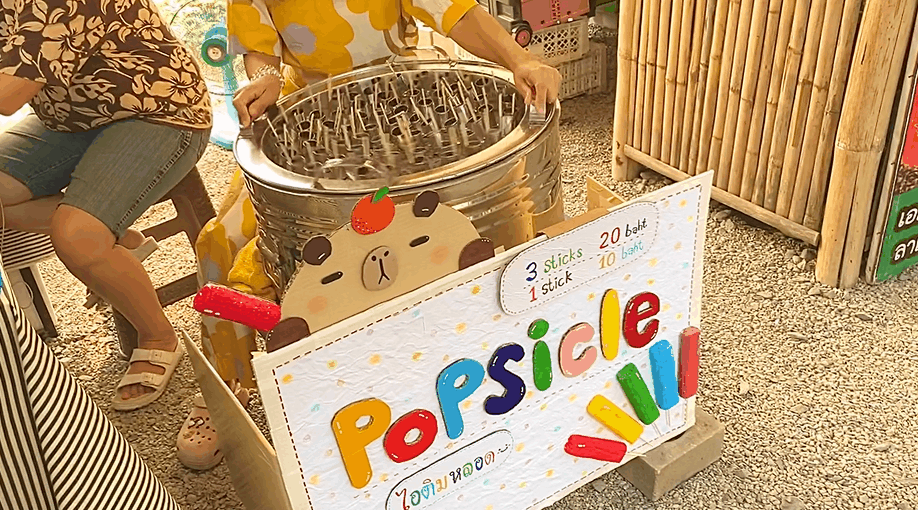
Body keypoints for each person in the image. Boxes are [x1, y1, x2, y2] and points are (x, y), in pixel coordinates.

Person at [185, 0, 562, 471]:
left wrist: (520, 59)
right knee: (219, 242)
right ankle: (225, 390)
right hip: (311, 126)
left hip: (410, 107)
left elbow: (456, 11)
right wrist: (265, 78)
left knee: (450, 235)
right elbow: (261, 51)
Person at [0, 0, 212, 412]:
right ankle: (112, 237)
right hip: (72, 114)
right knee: (80, 234)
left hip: (158, 107)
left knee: (76, 236)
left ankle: (158, 336)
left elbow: (9, 93)